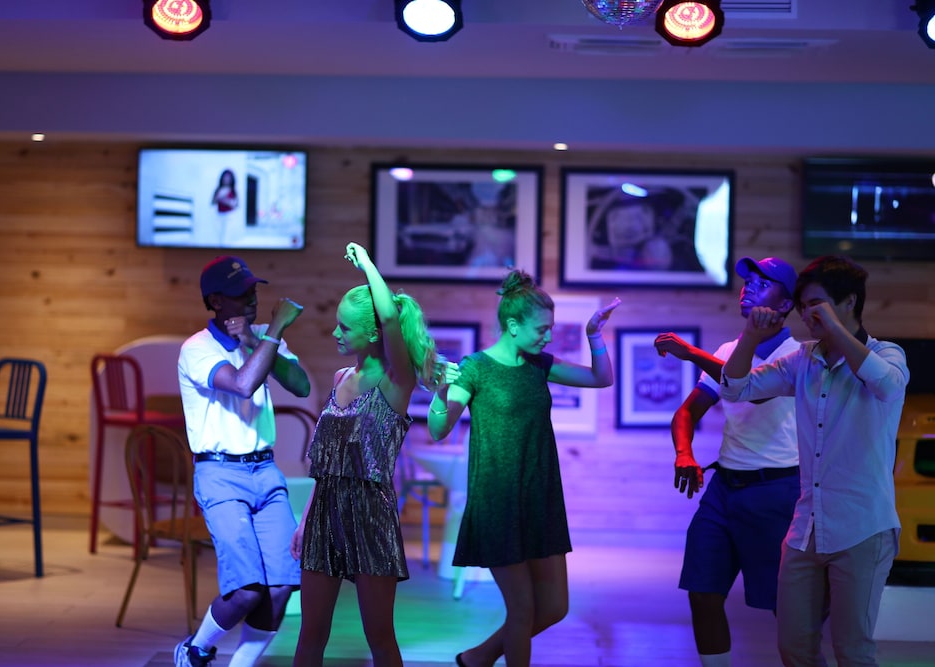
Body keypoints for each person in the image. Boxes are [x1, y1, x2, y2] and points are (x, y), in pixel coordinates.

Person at [720, 255, 909, 667]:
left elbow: (887, 385)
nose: (807, 315)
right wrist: (749, 338)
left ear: (849, 302)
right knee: (794, 649)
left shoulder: (887, 354)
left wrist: (836, 332)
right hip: (805, 529)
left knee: (853, 652)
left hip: (863, 529)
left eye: (817, 304)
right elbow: (735, 390)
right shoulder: (803, 359)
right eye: (804, 306)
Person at [427, 269, 621, 667]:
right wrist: (441, 392)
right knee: (522, 608)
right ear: (513, 325)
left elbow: (601, 378)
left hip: (540, 500)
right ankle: (484, 658)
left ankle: (478, 657)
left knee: (554, 607)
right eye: (542, 329)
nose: (548, 337)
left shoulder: (539, 364)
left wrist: (594, 335)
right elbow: (438, 429)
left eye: (550, 329)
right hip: (497, 502)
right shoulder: (475, 368)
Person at [290, 242, 441, 667]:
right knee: (310, 634)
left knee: (380, 638)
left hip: (370, 514)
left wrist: (368, 264)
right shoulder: (341, 376)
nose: (335, 334)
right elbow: (326, 465)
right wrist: (305, 519)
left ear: (373, 334)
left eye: (345, 327)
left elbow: (389, 316)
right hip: (325, 512)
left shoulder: (396, 380)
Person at [654, 257, 802, 667]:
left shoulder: (798, 355)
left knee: (785, 605)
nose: (749, 286)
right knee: (702, 592)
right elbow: (686, 413)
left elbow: (753, 388)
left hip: (778, 490)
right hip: (724, 489)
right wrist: (684, 453)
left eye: (763, 282)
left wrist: (691, 353)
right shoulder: (727, 351)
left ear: (785, 304)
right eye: (747, 280)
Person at [175, 255, 311, 667]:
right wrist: (276, 330)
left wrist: (257, 339)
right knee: (246, 591)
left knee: (281, 587)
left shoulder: (261, 339)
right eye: (240, 293)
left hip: (265, 471)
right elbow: (242, 383)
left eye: (254, 290)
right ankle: (195, 651)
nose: (252, 299)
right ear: (216, 301)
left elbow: (301, 386)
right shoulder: (197, 348)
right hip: (219, 472)